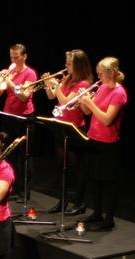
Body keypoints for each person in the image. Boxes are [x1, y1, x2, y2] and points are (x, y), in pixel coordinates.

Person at [77, 56, 127, 231]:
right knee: (94, 179)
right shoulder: (103, 87)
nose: (98, 78)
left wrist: (90, 102)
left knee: (108, 182)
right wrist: (82, 101)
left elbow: (107, 119)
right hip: (94, 139)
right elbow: (88, 112)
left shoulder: (119, 93)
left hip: (109, 144)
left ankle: (108, 219)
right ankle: (97, 213)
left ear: (111, 73)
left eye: (101, 74)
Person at [43, 50, 94, 214]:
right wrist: (47, 84)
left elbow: (65, 101)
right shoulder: (68, 79)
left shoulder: (84, 84)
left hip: (75, 129)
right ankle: (62, 201)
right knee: (61, 167)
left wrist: (56, 85)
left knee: (75, 169)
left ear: (78, 65)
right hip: (61, 126)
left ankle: (79, 203)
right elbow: (52, 96)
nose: (65, 66)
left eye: (69, 63)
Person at [0, 43, 38, 198]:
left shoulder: (30, 74)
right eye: (11, 57)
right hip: (8, 115)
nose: (13, 60)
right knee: (8, 153)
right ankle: (9, 186)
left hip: (24, 117)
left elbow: (23, 96)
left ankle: (24, 191)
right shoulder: (9, 70)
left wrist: (9, 80)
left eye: (16, 57)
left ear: (24, 57)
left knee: (24, 154)